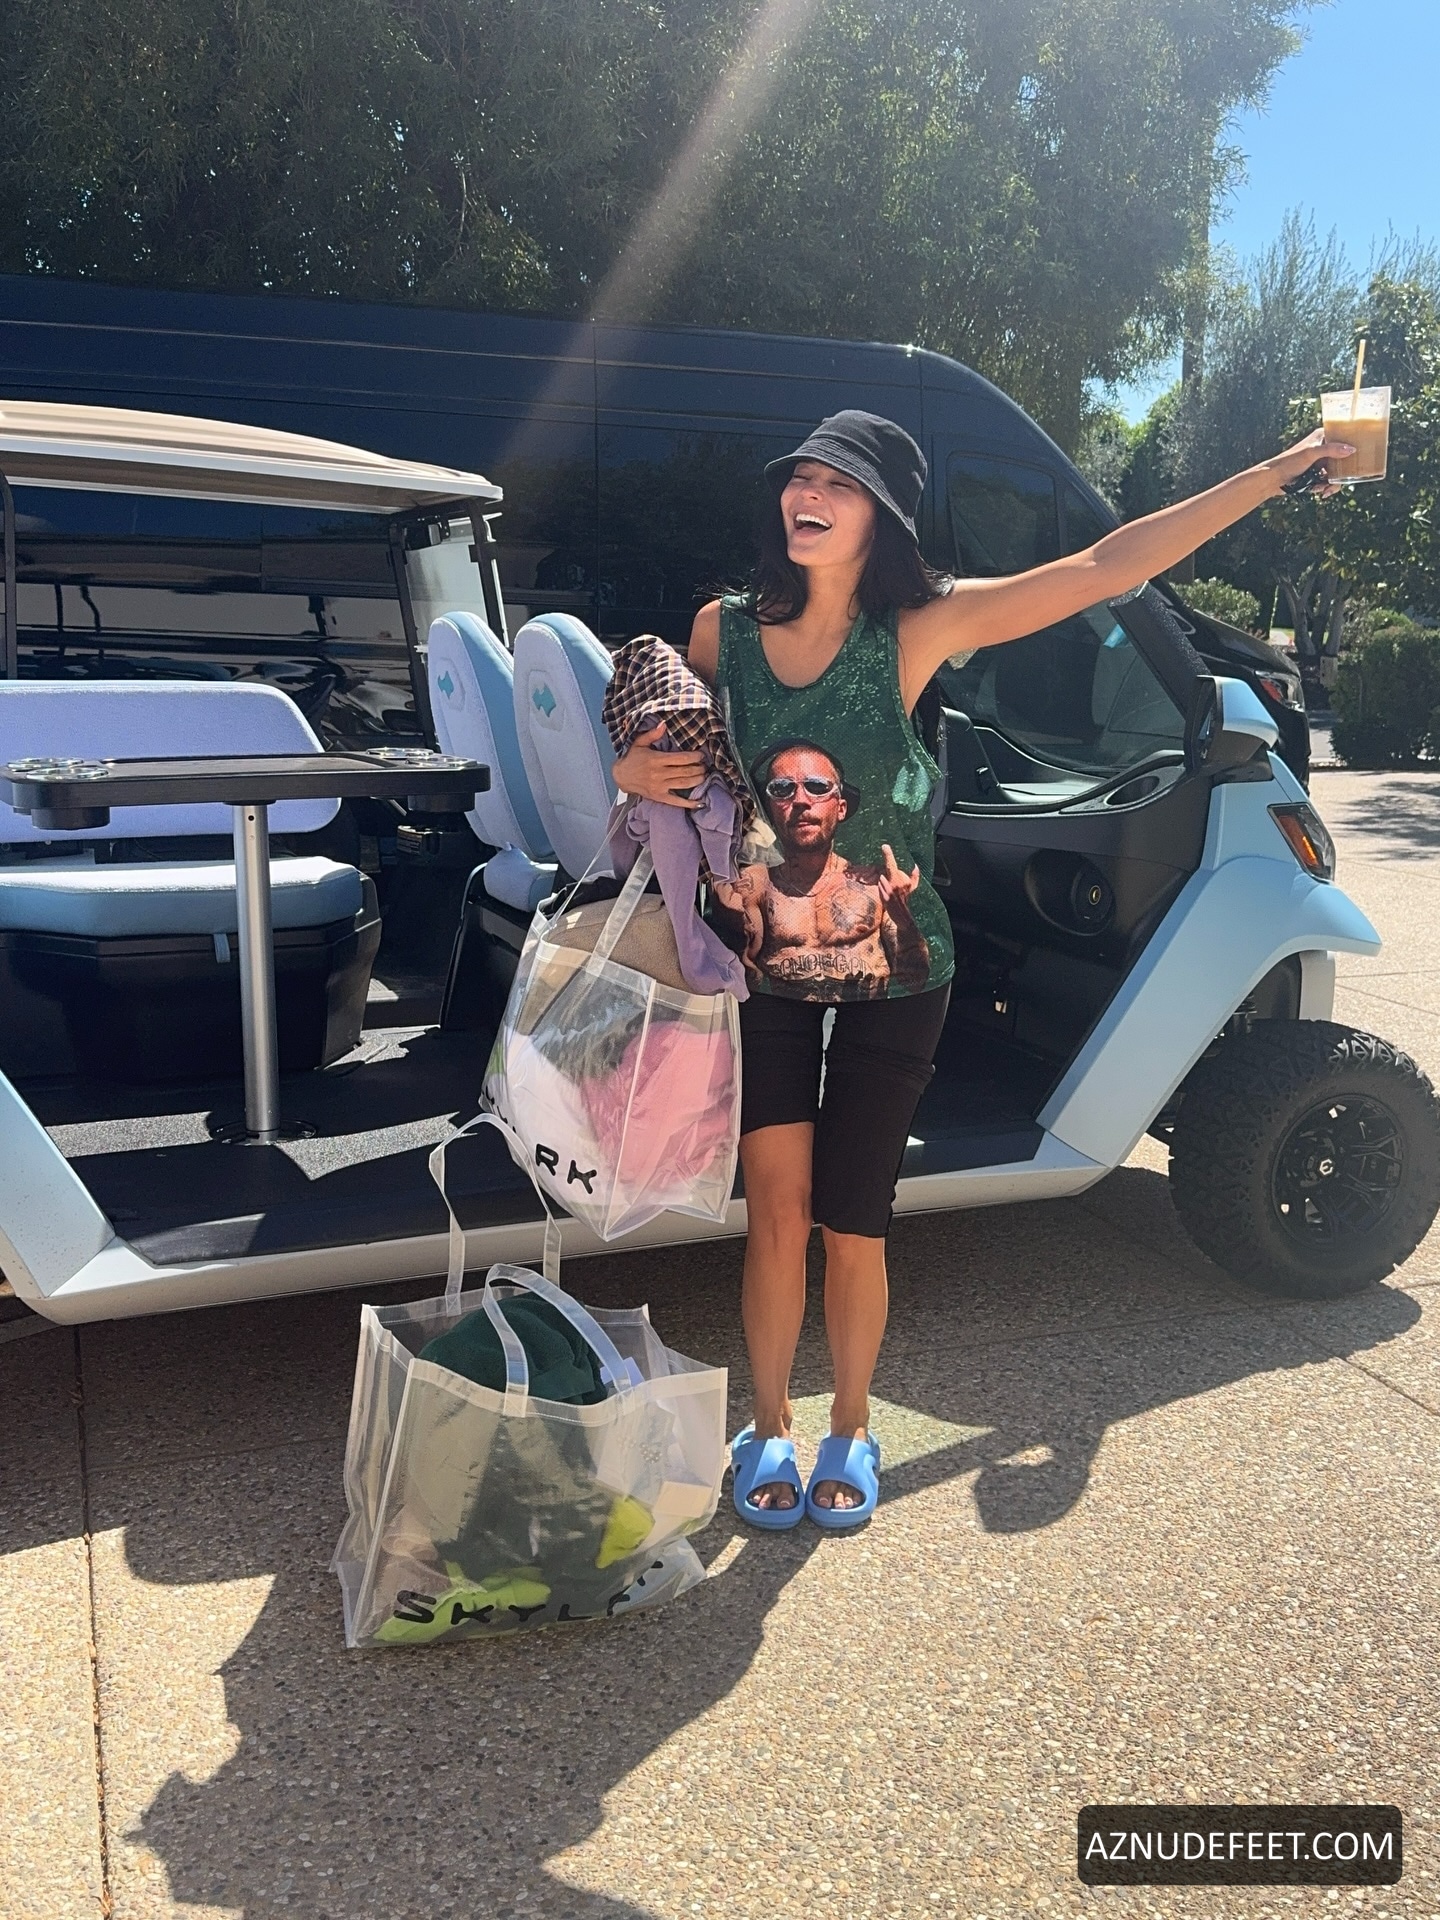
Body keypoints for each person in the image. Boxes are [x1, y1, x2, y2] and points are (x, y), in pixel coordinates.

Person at [613, 407, 1351, 1530]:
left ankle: (849, 1430)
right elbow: (672, 732)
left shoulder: (918, 629)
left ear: (882, 517)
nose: (808, 494)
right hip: (763, 973)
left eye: (839, 484)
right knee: (776, 1213)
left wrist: (1279, 469)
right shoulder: (725, 631)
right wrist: (632, 764)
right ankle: (768, 1426)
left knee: (854, 1221)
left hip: (900, 976)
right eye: (801, 476)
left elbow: (1106, 567)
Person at [710, 738, 930, 997]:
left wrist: (902, 916)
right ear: (770, 808)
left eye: (817, 787)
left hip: (864, 1016)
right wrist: (729, 923)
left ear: (841, 808)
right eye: (782, 789)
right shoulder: (754, 886)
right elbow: (743, 984)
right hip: (783, 1017)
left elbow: (915, 980)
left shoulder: (877, 887)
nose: (800, 800)